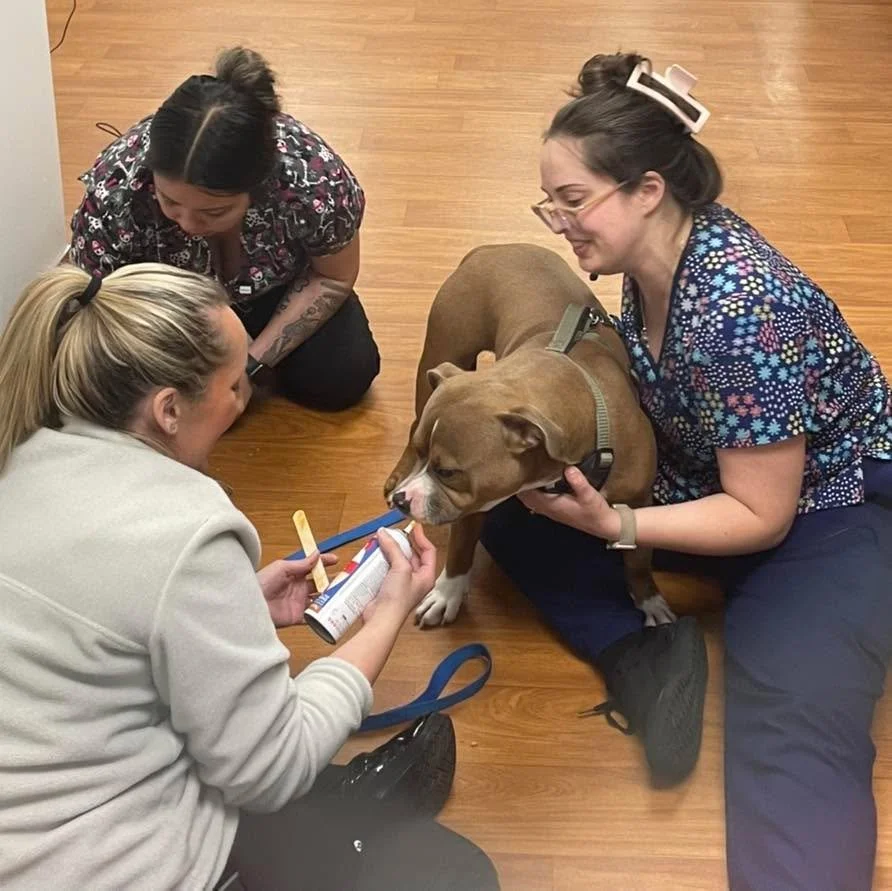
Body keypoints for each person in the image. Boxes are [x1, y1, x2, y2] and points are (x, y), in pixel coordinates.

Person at [480, 52, 892, 890]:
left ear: (648, 189)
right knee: (515, 516)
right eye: (549, 201)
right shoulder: (651, 260)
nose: (556, 223)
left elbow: (763, 516)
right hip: (715, 471)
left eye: (572, 200)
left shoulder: (741, 311)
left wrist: (618, 525)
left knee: (790, 725)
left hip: (826, 505)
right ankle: (645, 654)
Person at [0, 263, 499, 890]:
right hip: (110, 866)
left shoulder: (20, 451)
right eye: (236, 385)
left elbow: (92, 632)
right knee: (461, 875)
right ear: (169, 410)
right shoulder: (188, 526)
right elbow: (268, 772)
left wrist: (229, 609)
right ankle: (346, 803)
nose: (245, 398)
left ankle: (348, 800)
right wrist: (387, 614)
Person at [68, 46, 380, 412]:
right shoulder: (117, 184)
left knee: (343, 377)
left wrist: (248, 365)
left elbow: (332, 278)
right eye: (169, 202)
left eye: (213, 212)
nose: (187, 223)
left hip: (277, 290)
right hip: (166, 303)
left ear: (261, 187)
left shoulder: (313, 178)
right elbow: (93, 299)